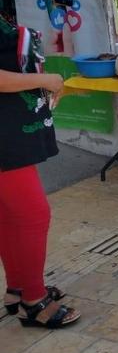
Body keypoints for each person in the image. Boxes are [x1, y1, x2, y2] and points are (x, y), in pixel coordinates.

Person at [0, 18, 80, 329]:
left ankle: (18, 288)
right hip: (4, 135)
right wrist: (46, 80)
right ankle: (34, 301)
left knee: (10, 214)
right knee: (35, 214)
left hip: (10, 126)